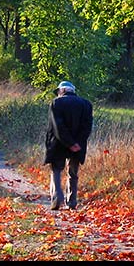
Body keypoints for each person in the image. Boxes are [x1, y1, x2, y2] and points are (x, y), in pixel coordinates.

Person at [44, 80, 93, 210]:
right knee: (73, 173)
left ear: (62, 91)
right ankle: (71, 202)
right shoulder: (86, 104)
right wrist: (76, 143)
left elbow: (57, 126)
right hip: (78, 145)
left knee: (56, 170)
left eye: (58, 91)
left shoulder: (56, 103)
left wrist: (68, 142)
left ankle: (57, 197)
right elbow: (87, 127)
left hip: (58, 143)